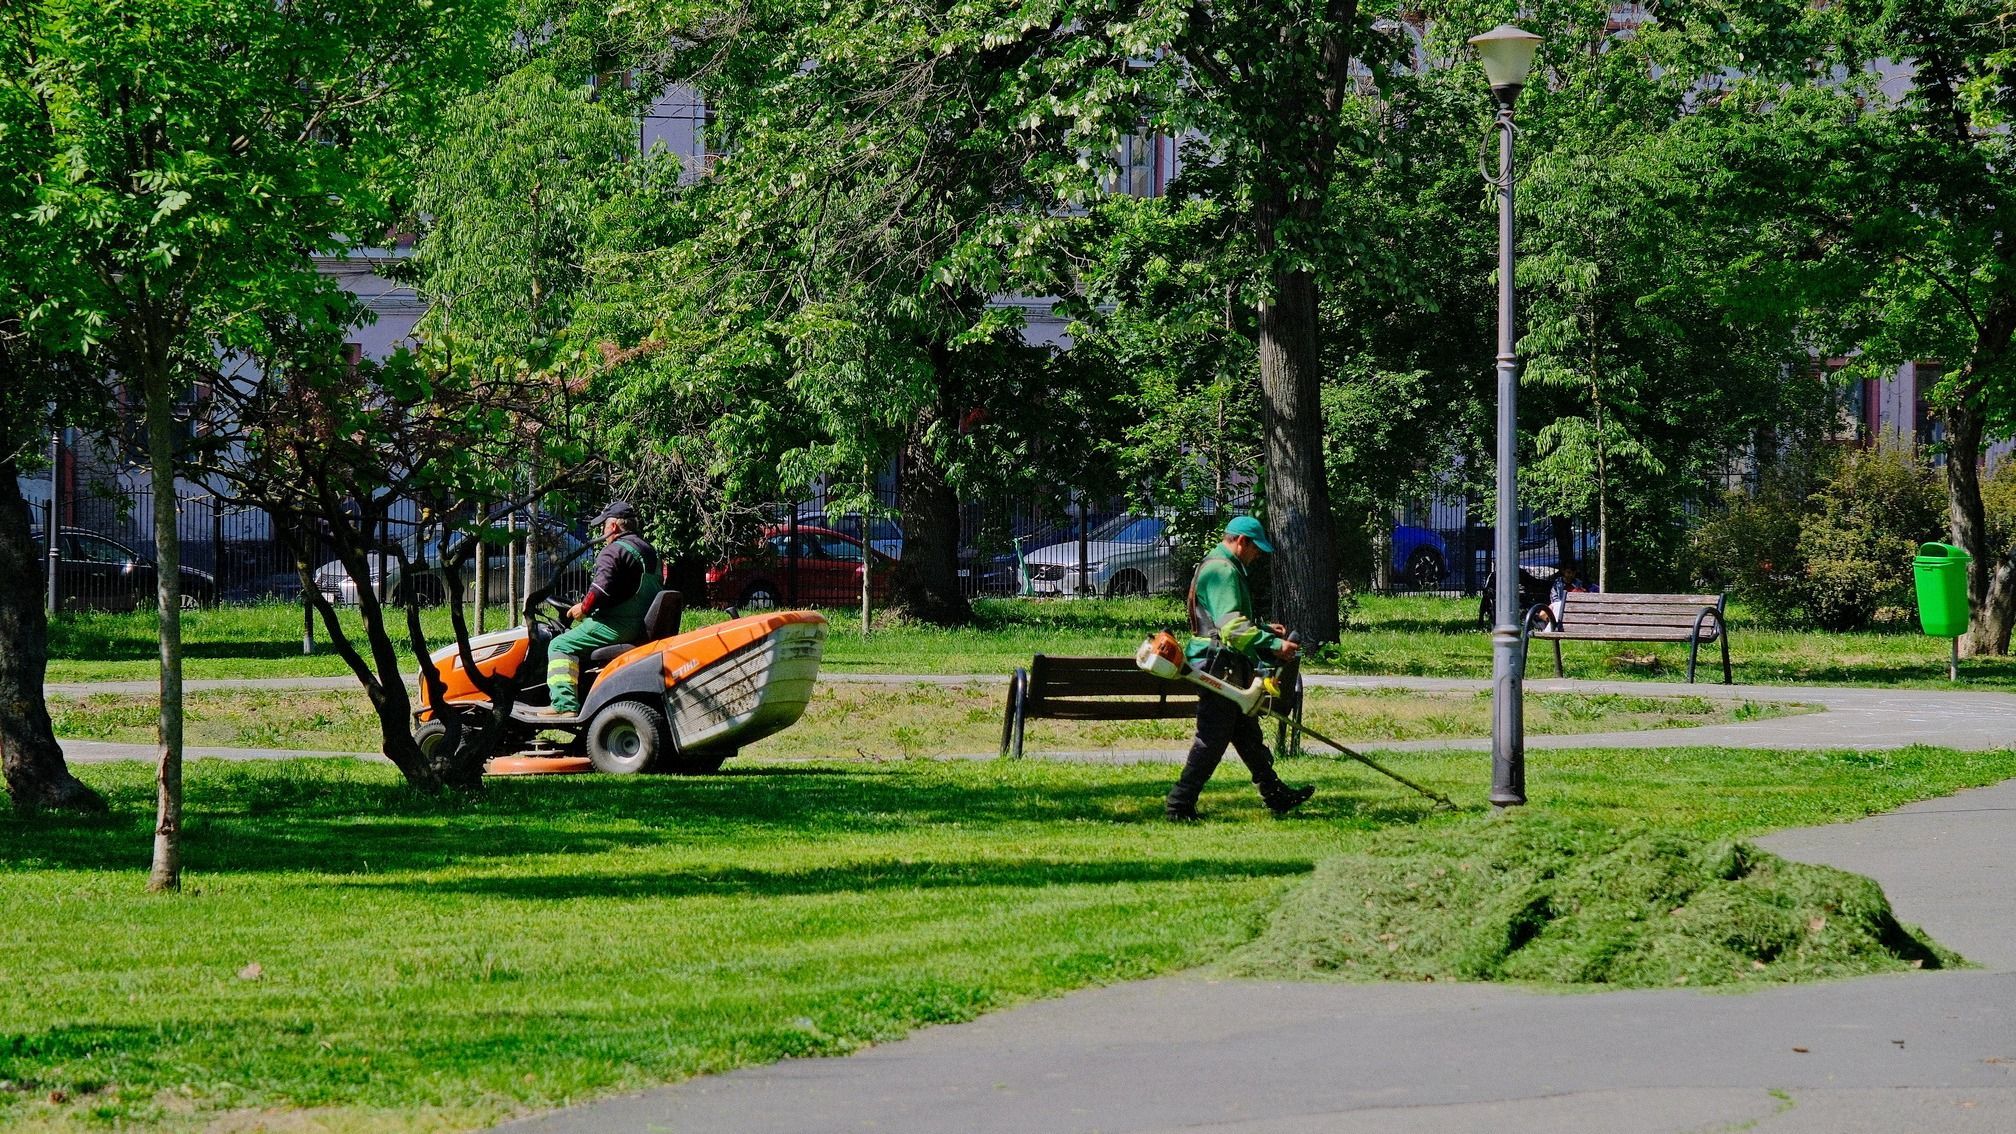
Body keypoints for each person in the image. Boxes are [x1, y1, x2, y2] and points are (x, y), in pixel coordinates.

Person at [1164, 516, 1317, 821]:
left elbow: (1224, 621)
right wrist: (1275, 646)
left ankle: (1275, 793)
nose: (1257, 555)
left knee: (1245, 732)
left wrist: (1261, 628)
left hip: (1219, 660)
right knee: (1212, 738)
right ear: (1240, 541)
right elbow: (1231, 628)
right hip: (1217, 664)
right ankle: (1179, 804)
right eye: (1255, 548)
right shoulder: (1223, 571)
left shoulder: (1220, 564)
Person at [545, 501, 664, 715]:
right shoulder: (649, 551)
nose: (603, 532)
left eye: (604, 526)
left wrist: (583, 608)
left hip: (616, 625)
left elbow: (600, 590)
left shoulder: (613, 551)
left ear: (614, 527)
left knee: (560, 644)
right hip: (641, 623)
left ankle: (564, 705)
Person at [1534, 558, 1598, 629]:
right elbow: (1554, 598)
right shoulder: (1558, 583)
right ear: (1563, 571)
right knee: (1542, 613)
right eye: (1568, 572)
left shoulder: (1578, 583)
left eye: (1573, 573)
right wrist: (1561, 604)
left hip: (1573, 607)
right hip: (1559, 605)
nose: (1570, 575)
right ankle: (1551, 624)